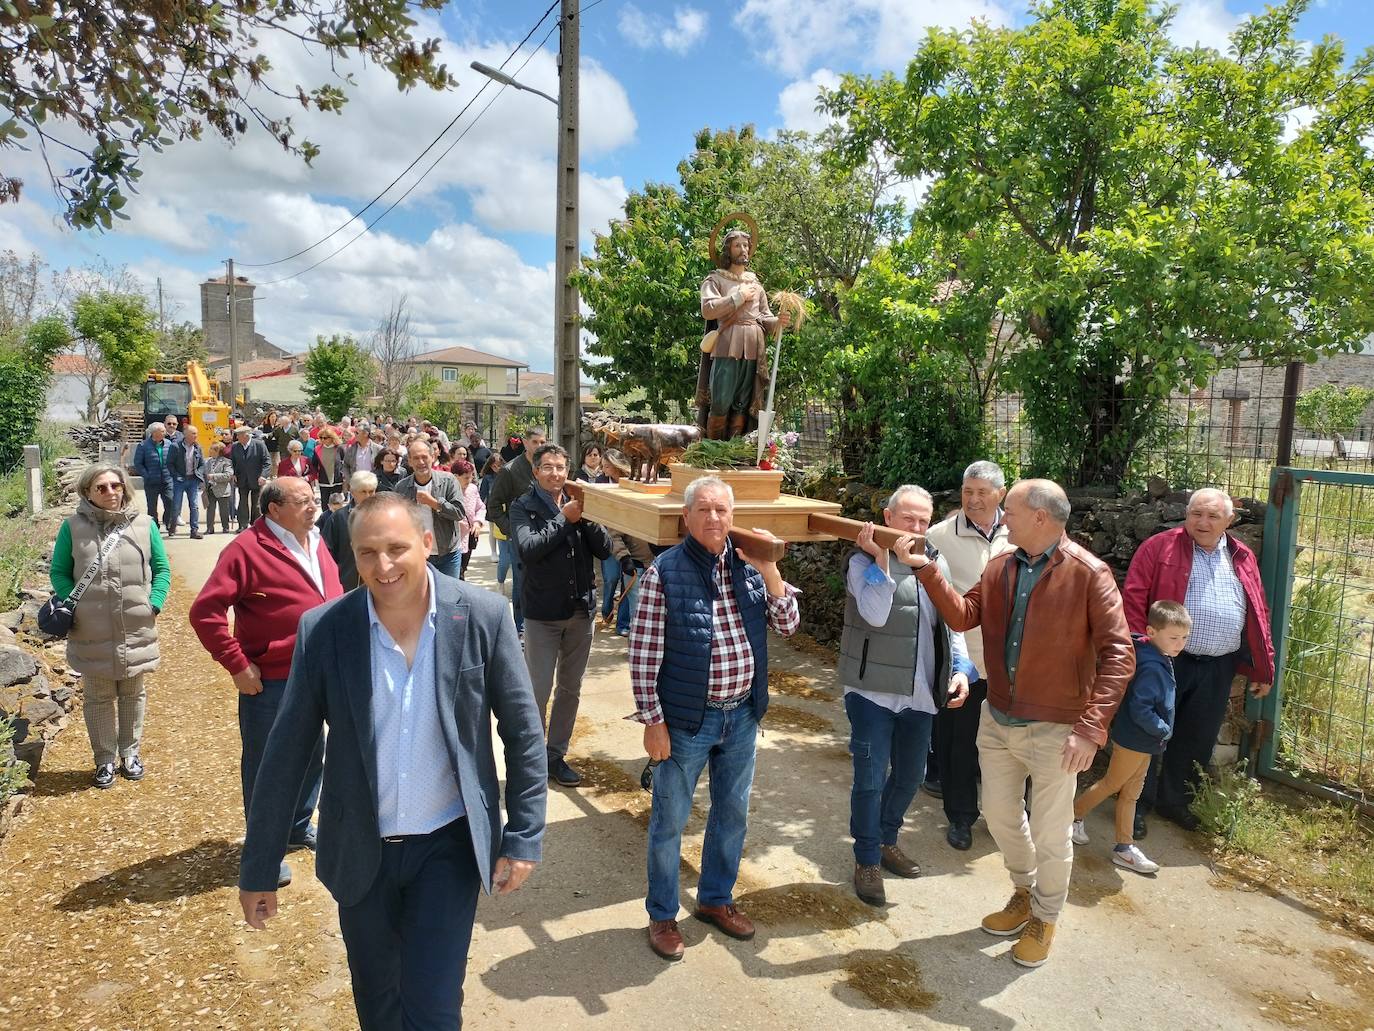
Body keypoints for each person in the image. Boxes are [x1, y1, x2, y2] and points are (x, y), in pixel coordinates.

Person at [238, 493, 547, 1029]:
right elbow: (286, 753)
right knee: (377, 1006)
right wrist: (260, 866)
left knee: (432, 1006)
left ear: (428, 543)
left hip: (446, 849)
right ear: (349, 556)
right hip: (360, 849)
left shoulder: (483, 616)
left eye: (396, 548)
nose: (382, 567)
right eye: (366, 553)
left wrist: (523, 837)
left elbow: (522, 733)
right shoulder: (326, 630)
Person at [906, 479, 1134, 968]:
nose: (1000, 517)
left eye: (1008, 509)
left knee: (1052, 833)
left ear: (1040, 517)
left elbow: (1119, 654)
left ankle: (1045, 918)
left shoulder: (1089, 574)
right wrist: (926, 569)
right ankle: (1024, 893)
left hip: (1058, 729)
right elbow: (965, 616)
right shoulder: (1000, 566)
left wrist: (1091, 728)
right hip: (998, 716)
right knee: (999, 815)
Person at [629, 476, 800, 962]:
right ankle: (662, 914)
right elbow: (643, 653)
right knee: (670, 820)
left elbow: (788, 624)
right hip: (687, 720)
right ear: (686, 518)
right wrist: (652, 720)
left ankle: (714, 900)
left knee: (732, 814)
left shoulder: (749, 567)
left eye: (721, 510)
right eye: (703, 510)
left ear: (732, 516)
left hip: (742, 714)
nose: (713, 519)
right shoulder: (665, 572)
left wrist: (769, 569)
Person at [190, 477, 344, 888]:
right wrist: (237, 664)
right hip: (273, 680)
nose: (314, 507)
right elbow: (205, 612)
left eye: (314, 499)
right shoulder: (246, 548)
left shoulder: (316, 538)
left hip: (321, 672)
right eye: (303, 501)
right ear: (274, 509)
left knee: (314, 754)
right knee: (268, 767)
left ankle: (295, 826)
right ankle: (264, 851)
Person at [839, 486, 975, 907]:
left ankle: (885, 839)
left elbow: (951, 620)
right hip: (872, 694)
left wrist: (963, 669)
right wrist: (882, 561)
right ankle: (866, 859)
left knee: (912, 775)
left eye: (923, 520)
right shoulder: (861, 561)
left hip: (920, 693)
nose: (915, 528)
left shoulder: (935, 560)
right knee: (870, 778)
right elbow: (876, 615)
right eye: (907, 519)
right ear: (887, 516)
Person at [1122, 487, 1274, 836]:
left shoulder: (1242, 556)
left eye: (1212, 516)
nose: (1202, 522)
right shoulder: (1159, 547)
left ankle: (1175, 802)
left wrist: (1265, 666)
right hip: (1165, 660)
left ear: (1229, 520)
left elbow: (1259, 611)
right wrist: (1142, 650)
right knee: (1148, 732)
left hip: (1218, 664)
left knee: (1196, 737)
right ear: (1186, 515)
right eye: (1196, 514)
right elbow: (1133, 597)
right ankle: (1136, 805)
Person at [51, 464, 169, 788]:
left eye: (115, 485)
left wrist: (154, 602)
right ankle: (104, 759)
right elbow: (59, 572)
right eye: (101, 487)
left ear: (124, 488)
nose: (110, 492)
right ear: (87, 492)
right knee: (98, 697)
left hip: (136, 626)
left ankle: (130, 754)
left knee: (133, 692)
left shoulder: (145, 525)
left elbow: (161, 569)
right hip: (91, 628)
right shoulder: (72, 528)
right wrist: (71, 602)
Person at [511, 443, 613, 788]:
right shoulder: (523, 507)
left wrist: (587, 516)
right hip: (542, 614)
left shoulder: (578, 504)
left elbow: (605, 549)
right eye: (548, 467)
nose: (555, 473)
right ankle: (531, 759)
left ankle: (555, 755)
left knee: (570, 688)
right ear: (536, 471)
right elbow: (528, 549)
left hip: (581, 612)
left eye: (561, 467)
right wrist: (563, 519)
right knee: (536, 690)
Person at [925, 460, 1014, 850]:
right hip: (962, 658)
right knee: (957, 742)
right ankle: (960, 817)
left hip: (1012, 662)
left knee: (1012, 744)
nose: (974, 500)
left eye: (982, 492)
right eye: (967, 491)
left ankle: (1008, 817)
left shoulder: (1021, 532)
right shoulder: (939, 535)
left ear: (1002, 494)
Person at [1072, 600, 1190, 876]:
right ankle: (1070, 816)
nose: (1180, 643)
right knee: (1113, 784)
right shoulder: (1151, 666)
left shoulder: (1159, 657)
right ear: (1151, 631)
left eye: (1184, 637)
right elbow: (1140, 707)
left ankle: (1124, 847)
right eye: (1173, 637)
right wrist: (1162, 729)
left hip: (1146, 742)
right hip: (1137, 740)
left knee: (1131, 793)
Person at [696, 227, 790, 439]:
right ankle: (713, 448)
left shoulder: (756, 285)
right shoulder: (715, 279)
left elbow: (764, 317)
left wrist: (778, 322)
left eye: (746, 245)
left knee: (742, 403)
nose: (743, 249)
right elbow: (708, 309)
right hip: (727, 343)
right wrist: (737, 297)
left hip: (753, 346)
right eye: (737, 245)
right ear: (728, 250)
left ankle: (734, 450)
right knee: (721, 400)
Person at [487, 428, 544, 634]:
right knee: (522, 583)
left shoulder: (547, 468)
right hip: (519, 537)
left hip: (545, 534)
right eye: (535, 442)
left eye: (543, 442)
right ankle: (520, 629)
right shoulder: (510, 470)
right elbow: (493, 505)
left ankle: (539, 626)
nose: (540, 446)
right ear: (525, 443)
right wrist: (510, 529)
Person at [395, 438, 468, 580]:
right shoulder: (401, 488)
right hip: (417, 555)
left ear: (433, 457)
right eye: (416, 458)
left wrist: (435, 503)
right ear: (409, 461)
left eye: (424, 457)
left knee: (448, 598)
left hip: (448, 554)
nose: (421, 462)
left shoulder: (448, 481)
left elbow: (459, 512)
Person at [576, 444, 622, 627]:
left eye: (604, 463)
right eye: (591, 455)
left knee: (628, 581)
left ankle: (623, 621)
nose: (601, 466)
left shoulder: (631, 479)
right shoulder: (599, 481)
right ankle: (607, 610)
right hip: (609, 535)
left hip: (629, 536)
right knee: (610, 578)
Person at [322, 472, 378, 591]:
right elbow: (326, 552)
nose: (368, 496)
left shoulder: (384, 517)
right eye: (363, 491)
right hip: (347, 584)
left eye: (371, 491)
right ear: (352, 492)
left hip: (378, 582)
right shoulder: (338, 518)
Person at [132, 422, 174, 533]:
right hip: (151, 482)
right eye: (163, 431)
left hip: (167, 480)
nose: (165, 433)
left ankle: (168, 522)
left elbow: (173, 460)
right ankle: (154, 527)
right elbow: (138, 463)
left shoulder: (169, 444)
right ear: (154, 432)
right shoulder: (143, 446)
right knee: (152, 507)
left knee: (170, 502)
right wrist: (147, 475)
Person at [230, 424, 271, 532]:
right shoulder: (235, 446)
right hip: (241, 479)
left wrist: (263, 476)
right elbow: (232, 462)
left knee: (256, 504)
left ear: (246, 436)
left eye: (238, 435)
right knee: (242, 502)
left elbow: (267, 462)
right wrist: (233, 473)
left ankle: (255, 525)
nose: (237, 437)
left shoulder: (259, 445)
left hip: (256, 479)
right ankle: (242, 525)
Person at [167, 423, 206, 539]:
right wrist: (176, 476)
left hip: (192, 480)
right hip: (179, 481)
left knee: (194, 506)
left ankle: (194, 531)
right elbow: (169, 463)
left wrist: (198, 473)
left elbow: (202, 464)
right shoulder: (176, 446)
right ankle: (172, 526)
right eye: (193, 433)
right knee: (176, 505)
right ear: (186, 434)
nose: (196, 436)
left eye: (196, 433)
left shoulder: (198, 447)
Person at [452, 461, 485, 580]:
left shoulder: (473, 489)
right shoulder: (448, 489)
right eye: (466, 477)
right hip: (451, 540)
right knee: (455, 574)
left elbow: (480, 507)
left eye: (471, 476)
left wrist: (478, 522)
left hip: (468, 538)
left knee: (462, 569)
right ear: (456, 477)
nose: (469, 480)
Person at [204, 441, 236, 535]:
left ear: (218, 451)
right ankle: (210, 528)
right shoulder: (207, 461)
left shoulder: (226, 462)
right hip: (210, 488)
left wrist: (213, 476)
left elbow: (228, 475)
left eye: (212, 449)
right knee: (210, 509)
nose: (210, 450)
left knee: (224, 510)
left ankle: (225, 527)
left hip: (222, 489)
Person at [312, 426, 346, 510]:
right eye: (321, 437)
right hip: (324, 481)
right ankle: (325, 521)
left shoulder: (339, 448)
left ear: (332, 438)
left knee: (337, 503)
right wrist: (315, 478)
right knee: (325, 503)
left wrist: (344, 476)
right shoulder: (317, 449)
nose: (322, 440)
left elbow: (345, 463)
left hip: (337, 481)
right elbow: (314, 465)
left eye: (325, 438)